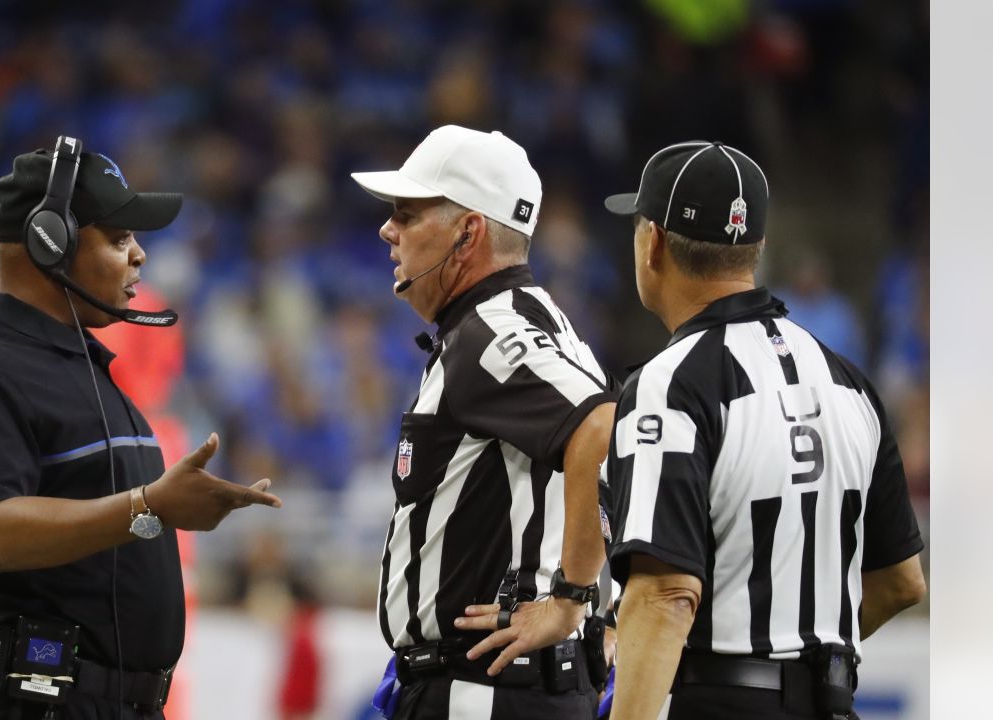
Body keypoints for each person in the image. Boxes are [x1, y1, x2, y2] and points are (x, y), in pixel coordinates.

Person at [0, 137, 282, 720]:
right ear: (49, 242)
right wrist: (149, 506)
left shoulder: (87, 368)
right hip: (28, 702)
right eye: (119, 238)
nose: (140, 258)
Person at [600, 141, 927, 720]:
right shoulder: (848, 380)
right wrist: (803, 661)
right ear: (757, 250)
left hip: (718, 700)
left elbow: (665, 594)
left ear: (652, 243)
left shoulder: (669, 384)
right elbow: (902, 582)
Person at [351, 124, 617, 719]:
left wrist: (573, 599)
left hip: (487, 692)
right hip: (509, 687)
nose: (387, 230)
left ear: (467, 232)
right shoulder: (534, 323)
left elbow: (603, 432)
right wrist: (602, 606)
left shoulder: (488, 334)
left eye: (408, 214)